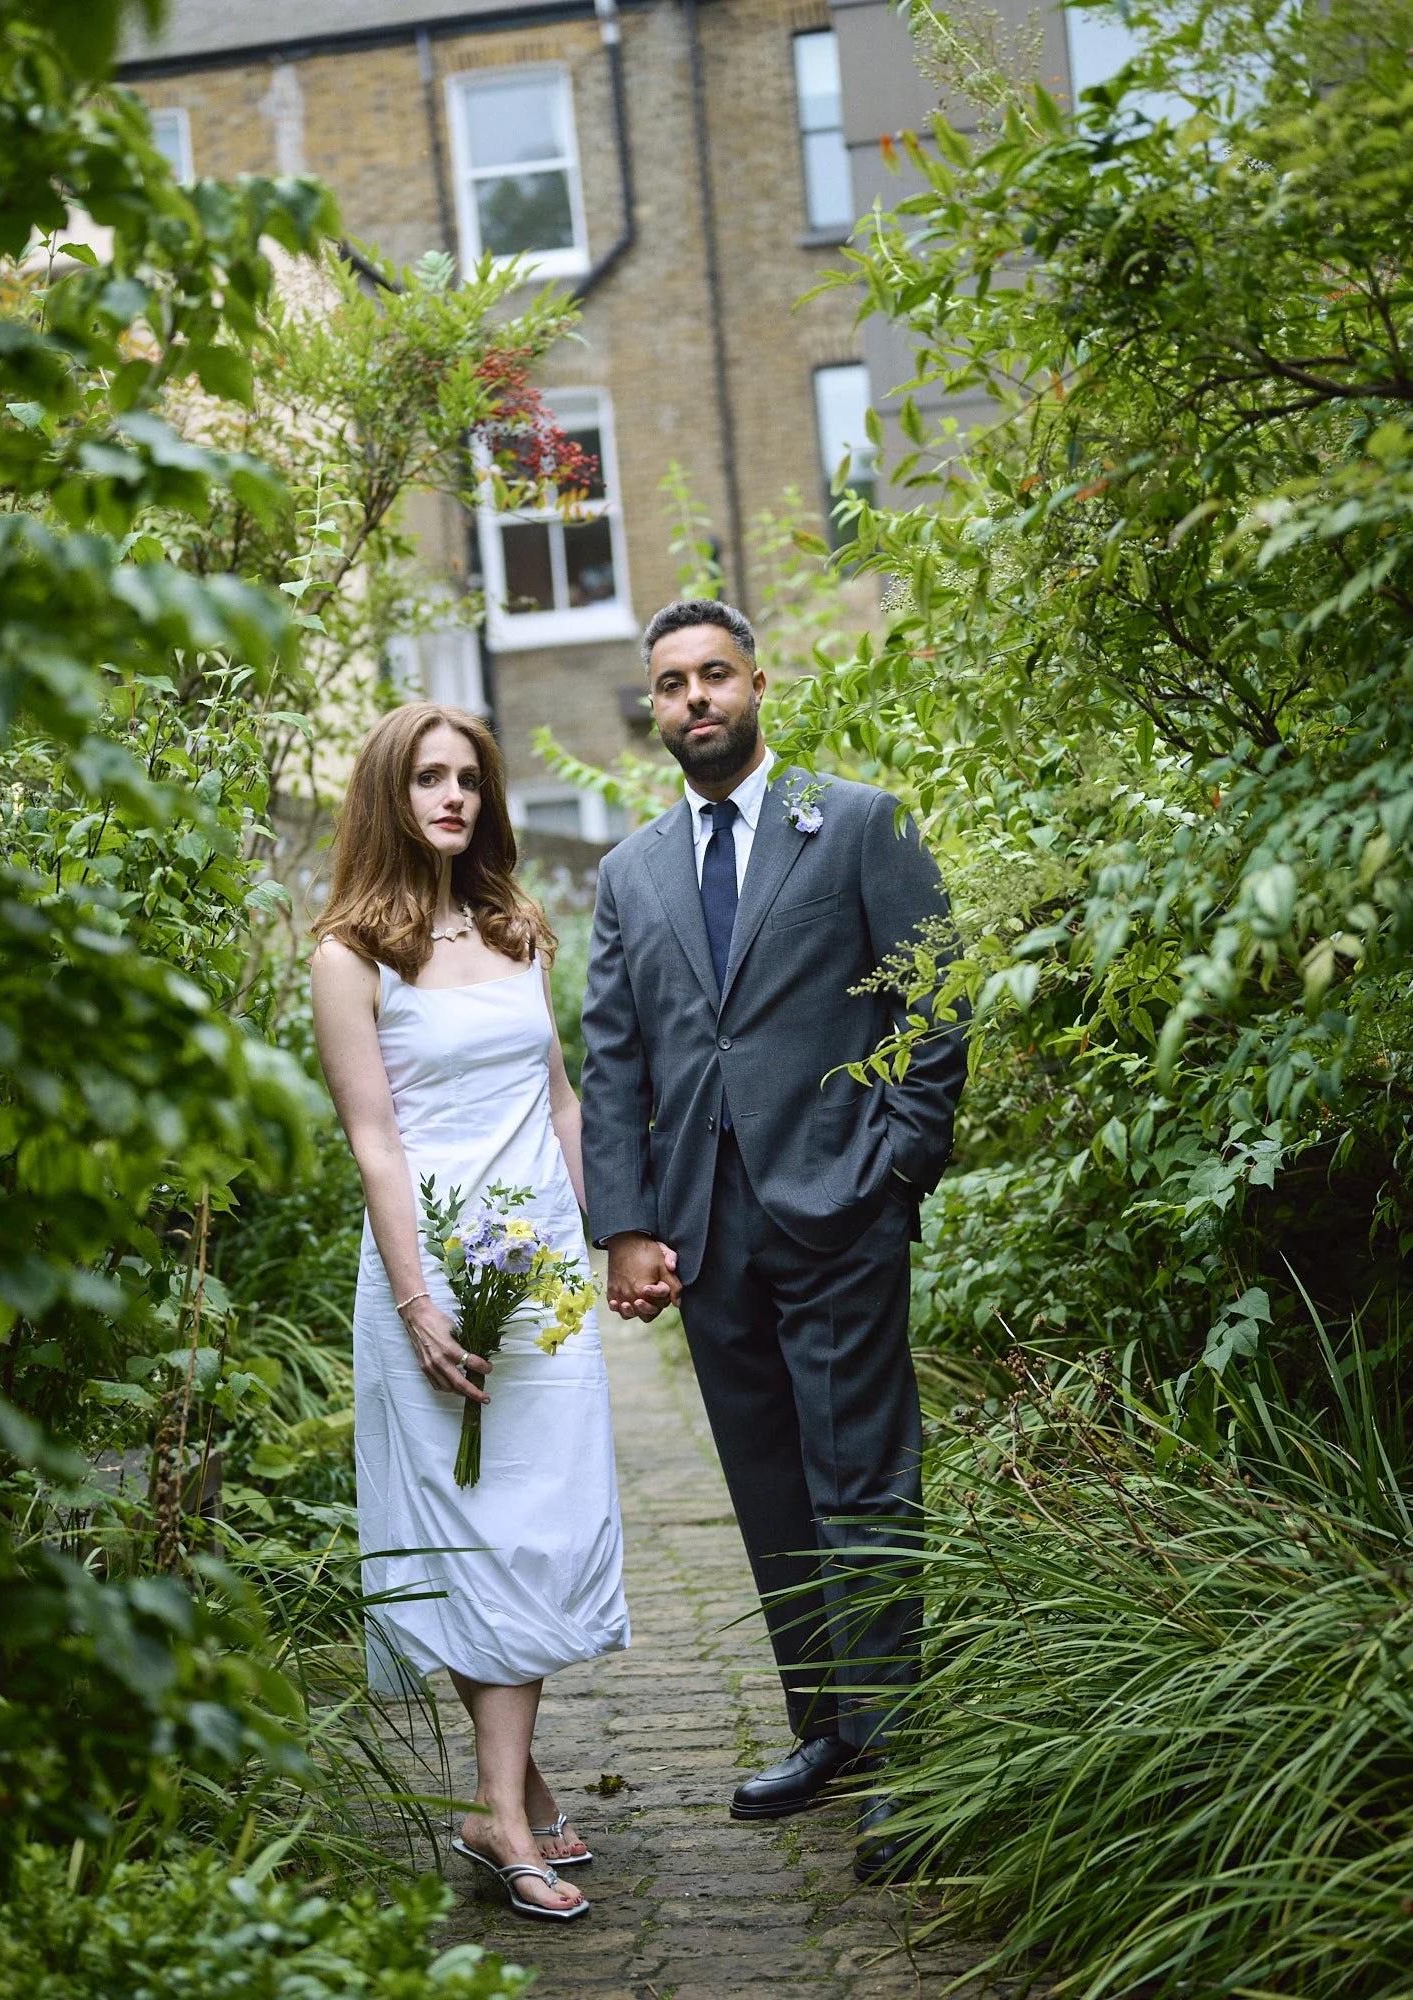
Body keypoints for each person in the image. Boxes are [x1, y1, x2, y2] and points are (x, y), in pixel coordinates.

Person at [581, 600, 966, 1882]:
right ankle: (826, 1733)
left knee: (864, 1479)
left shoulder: (855, 821)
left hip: (841, 1206)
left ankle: (902, 1764)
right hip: (706, 1233)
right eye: (672, 683)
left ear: (758, 682)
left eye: (715, 675)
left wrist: (897, 1157)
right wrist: (628, 1224)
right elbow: (615, 1057)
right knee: (769, 1488)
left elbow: (936, 994)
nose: (695, 698)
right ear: (655, 707)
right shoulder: (629, 872)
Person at [311, 703, 629, 1922]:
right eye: (429, 777)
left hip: (538, 1279)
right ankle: (505, 1806)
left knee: (537, 1524)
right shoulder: (351, 951)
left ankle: (512, 1782)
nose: (454, 796)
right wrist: (417, 1298)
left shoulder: (517, 926)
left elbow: (559, 1098)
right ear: (389, 792)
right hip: (428, 1271)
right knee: (465, 1533)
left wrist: (606, 1237)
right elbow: (374, 1136)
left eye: (470, 779)